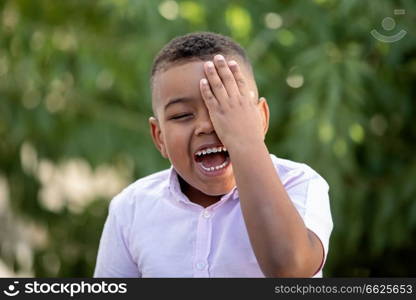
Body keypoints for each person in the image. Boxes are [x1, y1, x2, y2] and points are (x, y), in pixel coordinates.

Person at [94, 31, 333, 278]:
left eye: (227, 107)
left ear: (260, 118)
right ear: (159, 137)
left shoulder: (299, 183)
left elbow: (289, 269)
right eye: (182, 115)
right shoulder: (131, 209)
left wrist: (245, 140)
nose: (207, 125)